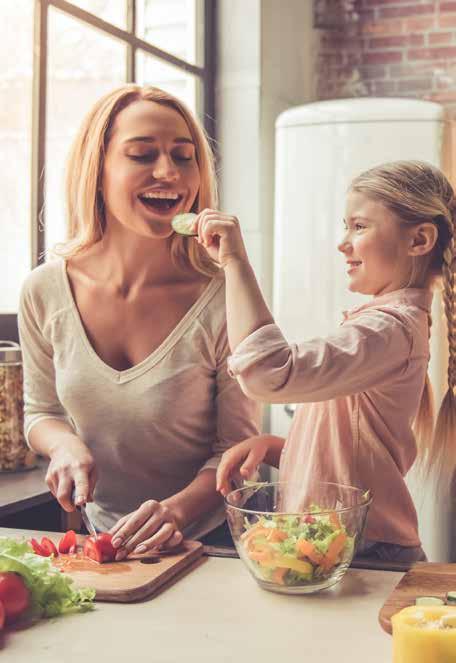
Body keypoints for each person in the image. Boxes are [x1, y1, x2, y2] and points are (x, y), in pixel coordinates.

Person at [18, 85, 260, 559]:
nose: (169, 173)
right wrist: (64, 445)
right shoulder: (43, 291)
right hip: (103, 540)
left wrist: (175, 512)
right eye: (142, 154)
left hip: (214, 544)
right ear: (99, 169)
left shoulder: (223, 295)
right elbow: (40, 413)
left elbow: (238, 450)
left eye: (184, 156)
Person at [191, 160, 456, 563]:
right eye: (345, 226)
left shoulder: (390, 329)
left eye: (360, 226)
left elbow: (267, 373)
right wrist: (277, 447)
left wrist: (235, 263)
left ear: (419, 240)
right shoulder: (387, 327)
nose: (343, 242)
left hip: (367, 555)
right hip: (347, 551)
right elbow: (350, 454)